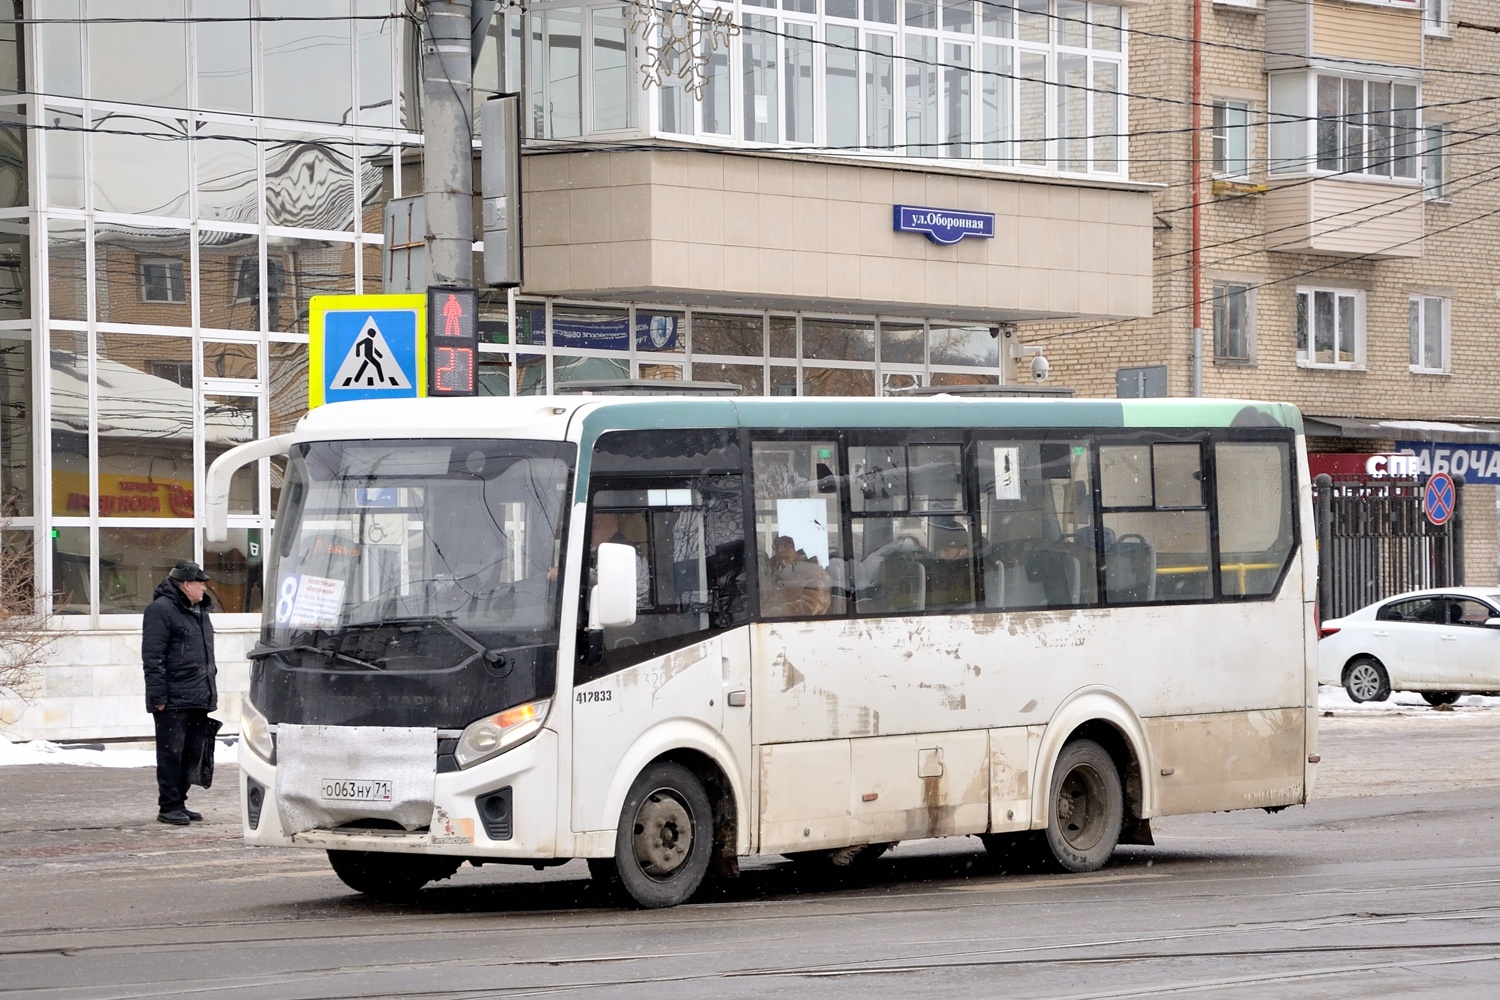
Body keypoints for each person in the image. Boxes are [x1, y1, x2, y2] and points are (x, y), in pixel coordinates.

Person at [141, 560, 218, 826]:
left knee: (192, 753)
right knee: (171, 753)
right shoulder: (160, 610)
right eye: (201, 583)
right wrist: (158, 697)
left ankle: (180, 801)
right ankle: (169, 805)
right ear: (186, 584)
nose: (204, 588)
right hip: (172, 699)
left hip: (198, 695)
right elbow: (153, 657)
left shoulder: (199, 611)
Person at [761, 535, 832, 617]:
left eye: (786, 545)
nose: (780, 550)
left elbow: (809, 607)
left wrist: (769, 614)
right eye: (777, 546)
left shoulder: (814, 573)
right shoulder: (772, 572)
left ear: (797, 549)